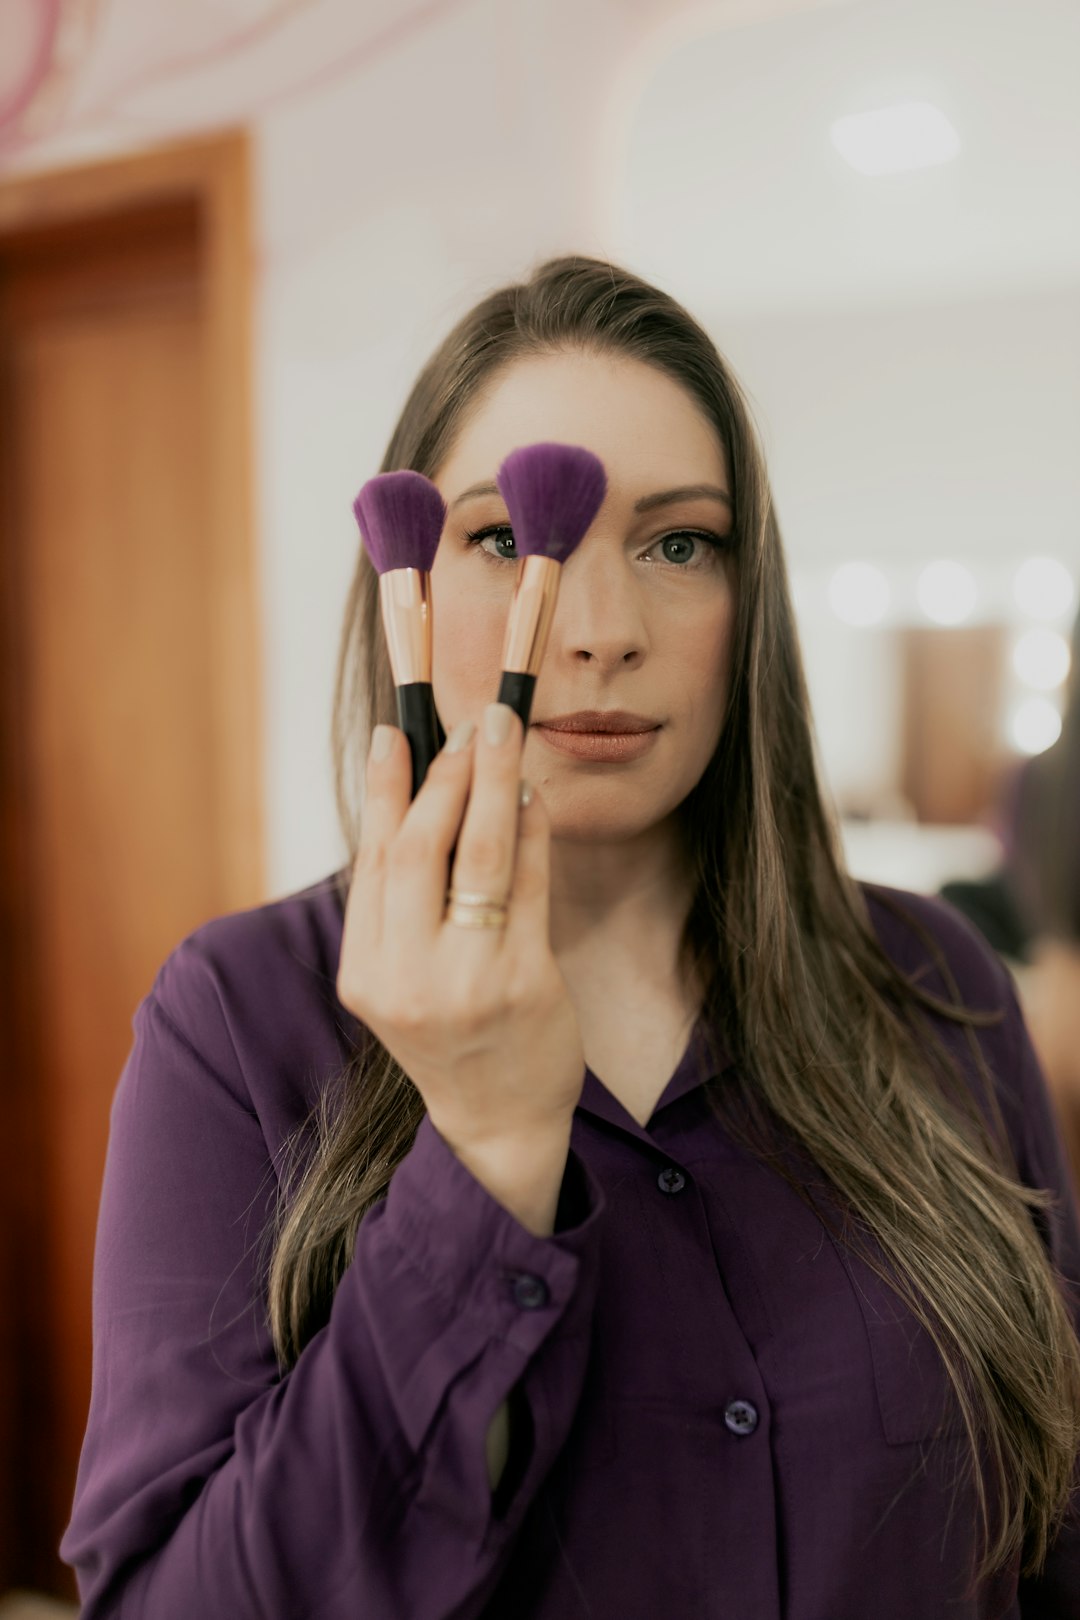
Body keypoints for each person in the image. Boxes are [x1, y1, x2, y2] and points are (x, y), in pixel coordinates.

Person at [60, 256, 1080, 1617]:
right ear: (402, 579)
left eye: (680, 544)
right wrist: (479, 1157)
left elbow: (1052, 1531)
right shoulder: (239, 1019)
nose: (597, 633)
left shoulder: (937, 987)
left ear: (749, 603)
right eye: (508, 542)